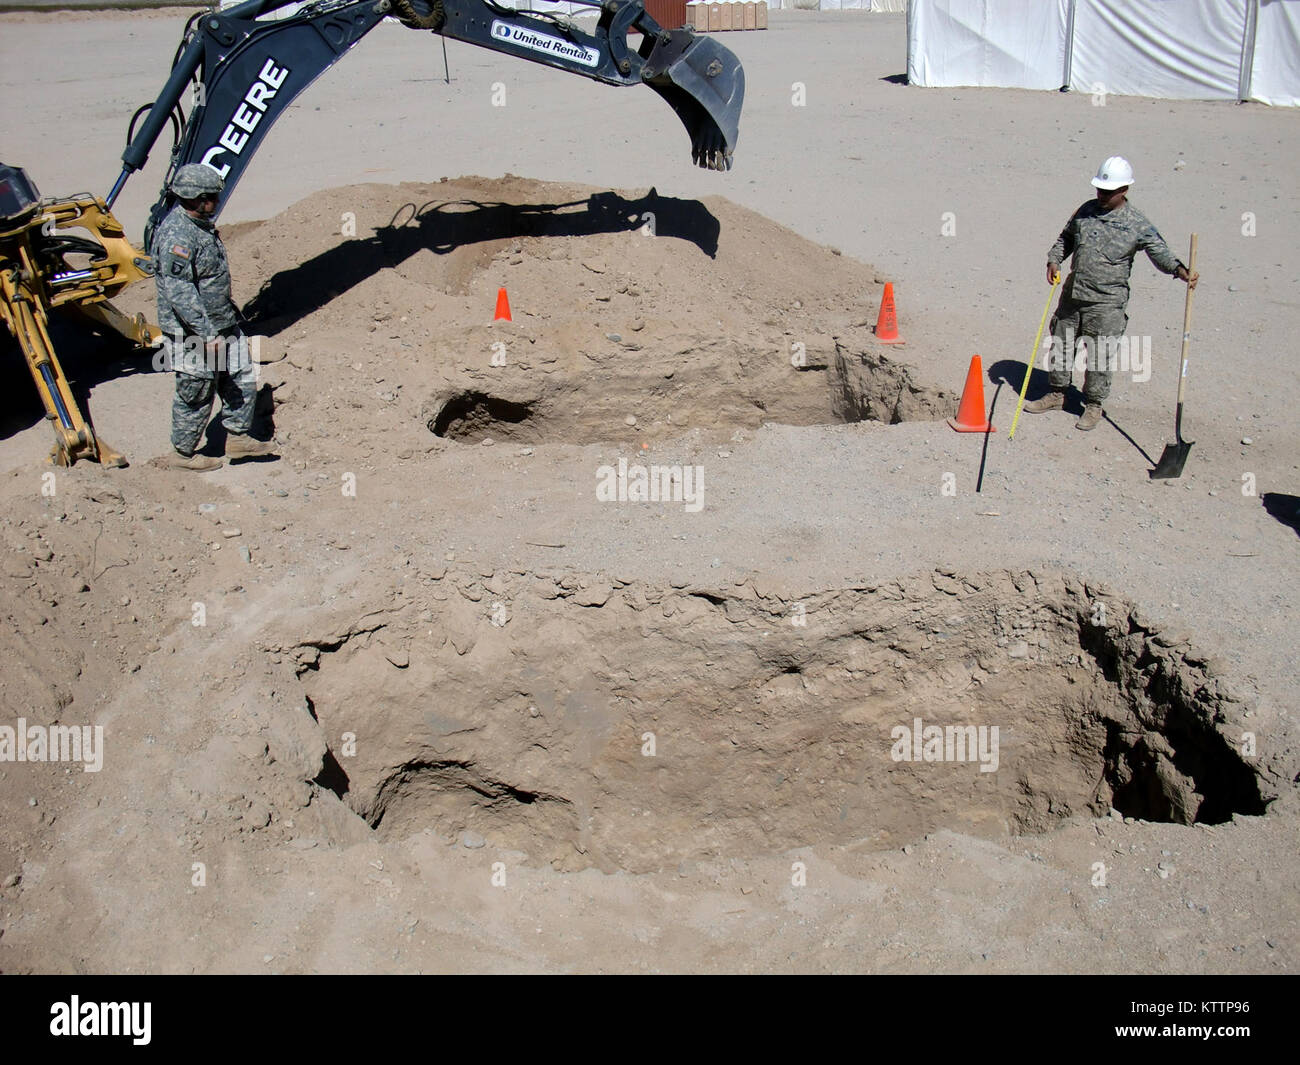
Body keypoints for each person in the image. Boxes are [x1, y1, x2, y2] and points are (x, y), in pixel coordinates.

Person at [1024, 156, 1198, 431]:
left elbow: (1159, 251)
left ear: (1124, 189)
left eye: (1108, 191)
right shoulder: (1085, 210)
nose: (1101, 195)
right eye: (1099, 190)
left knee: (1099, 354)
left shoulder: (1136, 223)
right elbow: (1066, 238)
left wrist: (1179, 270)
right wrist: (1054, 260)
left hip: (1107, 302)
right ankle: (1057, 393)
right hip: (1073, 294)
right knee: (1061, 343)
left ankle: (1093, 405)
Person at [152, 163, 273, 469]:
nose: (217, 202)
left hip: (223, 323)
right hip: (194, 333)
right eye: (212, 197)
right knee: (196, 391)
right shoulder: (178, 236)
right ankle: (182, 455)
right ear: (195, 198)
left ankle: (238, 438)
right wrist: (206, 335)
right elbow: (180, 292)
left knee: (241, 377)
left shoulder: (199, 226)